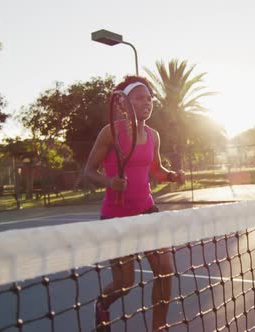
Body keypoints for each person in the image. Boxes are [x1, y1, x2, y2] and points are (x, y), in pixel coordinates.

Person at [84, 76, 184, 332]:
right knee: (125, 283)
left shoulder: (154, 136)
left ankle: (158, 327)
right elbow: (89, 170)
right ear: (123, 103)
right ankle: (102, 305)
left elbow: (157, 170)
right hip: (116, 219)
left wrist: (172, 176)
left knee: (165, 270)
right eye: (140, 98)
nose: (147, 102)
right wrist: (110, 182)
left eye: (149, 98)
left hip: (148, 212)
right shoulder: (110, 132)